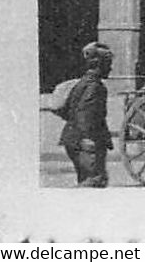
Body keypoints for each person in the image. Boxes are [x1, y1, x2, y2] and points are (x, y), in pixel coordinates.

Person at [60, 41, 113, 187]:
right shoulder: (95, 87)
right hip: (86, 143)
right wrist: (90, 143)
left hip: (75, 139)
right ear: (98, 65)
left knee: (87, 182)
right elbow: (85, 115)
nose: (111, 68)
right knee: (93, 183)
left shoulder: (82, 83)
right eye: (108, 64)